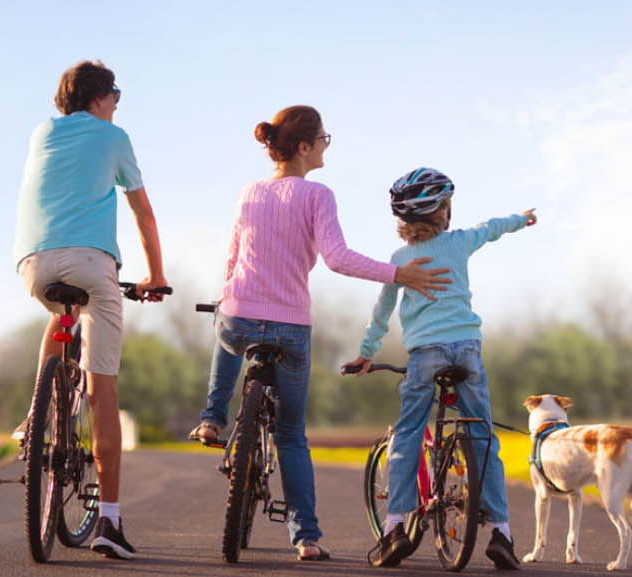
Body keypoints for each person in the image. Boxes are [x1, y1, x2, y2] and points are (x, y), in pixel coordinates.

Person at [186, 105, 452, 561]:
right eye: (325, 139)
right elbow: (337, 258)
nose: (328, 146)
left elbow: (233, 259)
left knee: (225, 323)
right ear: (305, 147)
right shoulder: (318, 195)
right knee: (291, 435)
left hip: (240, 319)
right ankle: (305, 538)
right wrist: (396, 274)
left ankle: (213, 415)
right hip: (290, 327)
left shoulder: (248, 192)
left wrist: (231, 298)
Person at [10, 59, 165, 560]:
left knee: (59, 314)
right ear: (99, 98)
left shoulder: (41, 134)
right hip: (92, 264)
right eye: (116, 94)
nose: (118, 103)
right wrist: (155, 275)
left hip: (33, 264)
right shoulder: (112, 135)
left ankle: (36, 418)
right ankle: (110, 523)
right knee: (102, 390)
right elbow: (142, 210)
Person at [344, 167, 534, 570]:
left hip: (425, 354)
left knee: (410, 432)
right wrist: (522, 219)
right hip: (467, 350)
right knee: (482, 435)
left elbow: (381, 313)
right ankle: (502, 532)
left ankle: (395, 526)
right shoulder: (460, 242)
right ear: (443, 212)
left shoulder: (398, 260)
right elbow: (492, 227)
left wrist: (366, 352)